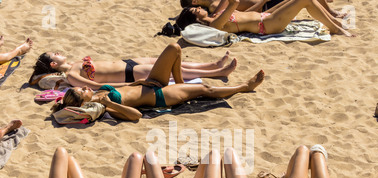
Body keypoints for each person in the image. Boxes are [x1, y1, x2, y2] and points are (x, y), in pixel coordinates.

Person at [51, 42, 264, 121]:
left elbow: (123, 89)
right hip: (159, 97)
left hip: (149, 84)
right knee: (204, 88)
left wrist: (136, 84)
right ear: (84, 102)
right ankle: (244, 87)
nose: (86, 87)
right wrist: (111, 104)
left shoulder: (99, 94)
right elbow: (136, 116)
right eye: (83, 91)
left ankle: (181, 83)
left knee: (174, 49)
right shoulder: (103, 108)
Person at [29, 45, 237, 90]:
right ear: (53, 64)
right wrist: (132, 84)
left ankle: (212, 64)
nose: (58, 51)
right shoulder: (72, 73)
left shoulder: (75, 63)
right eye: (54, 55)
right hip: (129, 73)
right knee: (176, 70)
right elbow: (99, 86)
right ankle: (218, 72)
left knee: (168, 59)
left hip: (128, 62)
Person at [176, 0, 355, 37]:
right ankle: (336, 28)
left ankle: (335, 23)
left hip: (265, 16)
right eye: (196, 10)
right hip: (268, 24)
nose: (199, 9)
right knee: (304, 0)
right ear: (195, 19)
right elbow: (233, 3)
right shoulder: (215, 24)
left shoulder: (215, 17)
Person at [180, 0, 344, 18]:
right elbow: (248, 14)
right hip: (267, 6)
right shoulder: (216, 6)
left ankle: (328, 8)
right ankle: (331, 13)